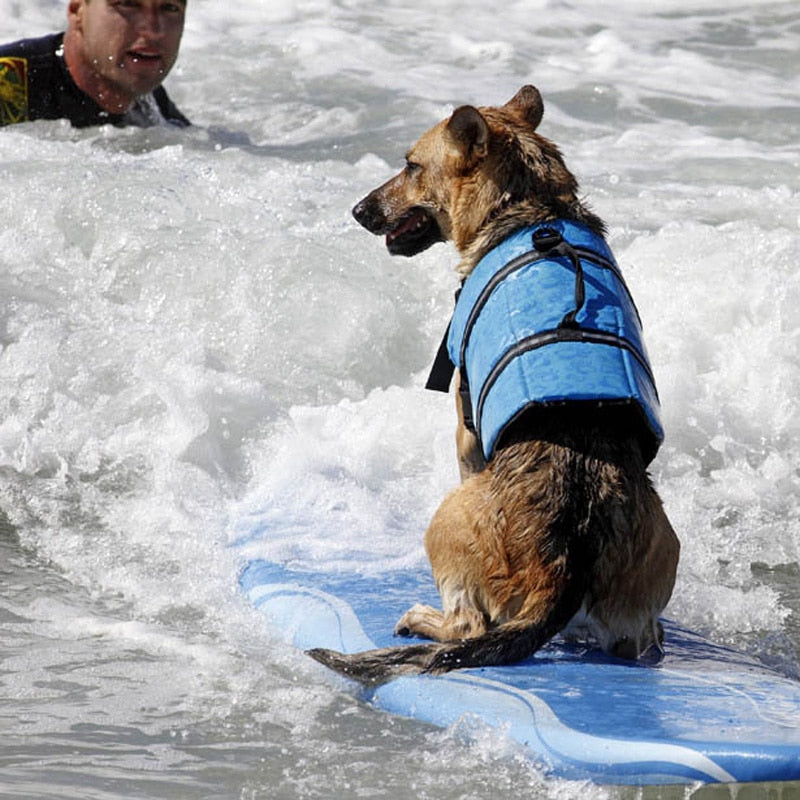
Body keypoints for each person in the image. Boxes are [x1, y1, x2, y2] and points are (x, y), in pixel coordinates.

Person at [0, 0, 189, 129]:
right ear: (77, 10)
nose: (153, 31)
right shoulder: (9, 79)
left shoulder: (149, 102)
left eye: (169, 7)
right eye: (128, 4)